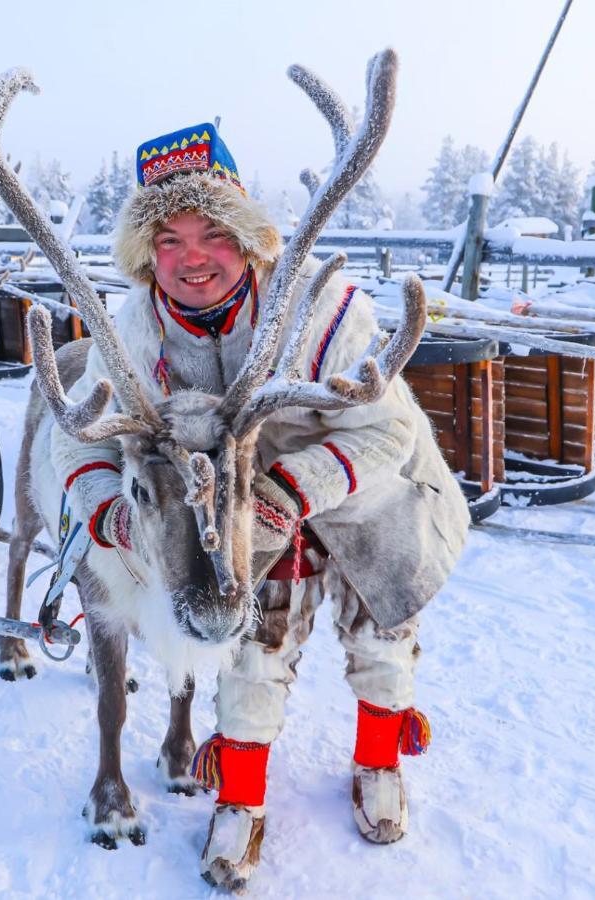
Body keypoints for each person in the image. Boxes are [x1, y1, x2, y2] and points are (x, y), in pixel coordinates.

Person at [52, 123, 469, 888]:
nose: (192, 257)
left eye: (213, 231)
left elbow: (390, 431)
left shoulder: (320, 306)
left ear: (246, 237)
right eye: (168, 239)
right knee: (248, 646)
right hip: (240, 513)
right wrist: (114, 517)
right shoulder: (133, 332)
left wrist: (286, 491)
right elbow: (74, 444)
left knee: (383, 634)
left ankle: (381, 761)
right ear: (147, 254)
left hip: (361, 493)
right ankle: (240, 800)